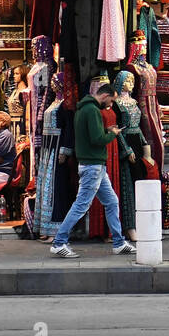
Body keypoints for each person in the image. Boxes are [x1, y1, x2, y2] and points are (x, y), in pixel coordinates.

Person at [50, 83, 136, 258]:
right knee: (81, 205)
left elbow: (90, 134)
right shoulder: (93, 111)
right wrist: (113, 133)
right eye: (111, 100)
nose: (110, 104)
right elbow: (97, 139)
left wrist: (106, 130)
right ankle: (59, 242)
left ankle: (118, 242)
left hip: (93, 165)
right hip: (93, 165)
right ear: (105, 96)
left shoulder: (83, 109)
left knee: (111, 201)